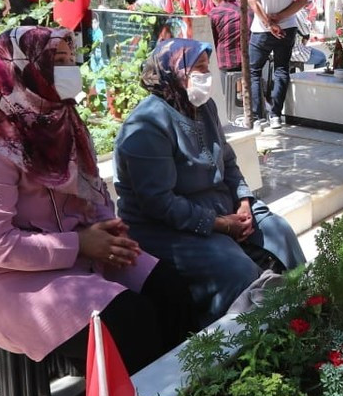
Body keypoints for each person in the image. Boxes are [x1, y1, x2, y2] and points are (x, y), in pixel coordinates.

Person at [0, 27, 193, 372]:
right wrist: (79, 245)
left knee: (171, 289)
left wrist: (107, 229)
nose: (70, 69)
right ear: (22, 67)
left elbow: (94, 194)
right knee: (129, 323)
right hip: (3, 277)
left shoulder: (63, 123)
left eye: (70, 59)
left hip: (79, 254)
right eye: (57, 61)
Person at [113, 39, 306, 326]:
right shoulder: (146, 127)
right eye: (198, 69)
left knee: (279, 231)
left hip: (221, 207)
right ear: (172, 73)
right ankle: (234, 343)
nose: (206, 76)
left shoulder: (203, 107)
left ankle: (302, 309)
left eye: (207, 68)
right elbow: (159, 204)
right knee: (235, 267)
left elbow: (227, 161)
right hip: (164, 227)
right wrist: (221, 224)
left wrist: (244, 201)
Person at [247, 0, 308, 130]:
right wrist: (280, 17)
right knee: (281, 69)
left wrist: (269, 23)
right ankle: (275, 115)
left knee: (254, 72)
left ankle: (257, 118)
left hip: (261, 29)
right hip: (287, 25)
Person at [207, 0, 243, 73]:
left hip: (226, 62)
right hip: (249, 60)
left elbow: (211, 40)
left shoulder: (215, 14)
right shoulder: (243, 7)